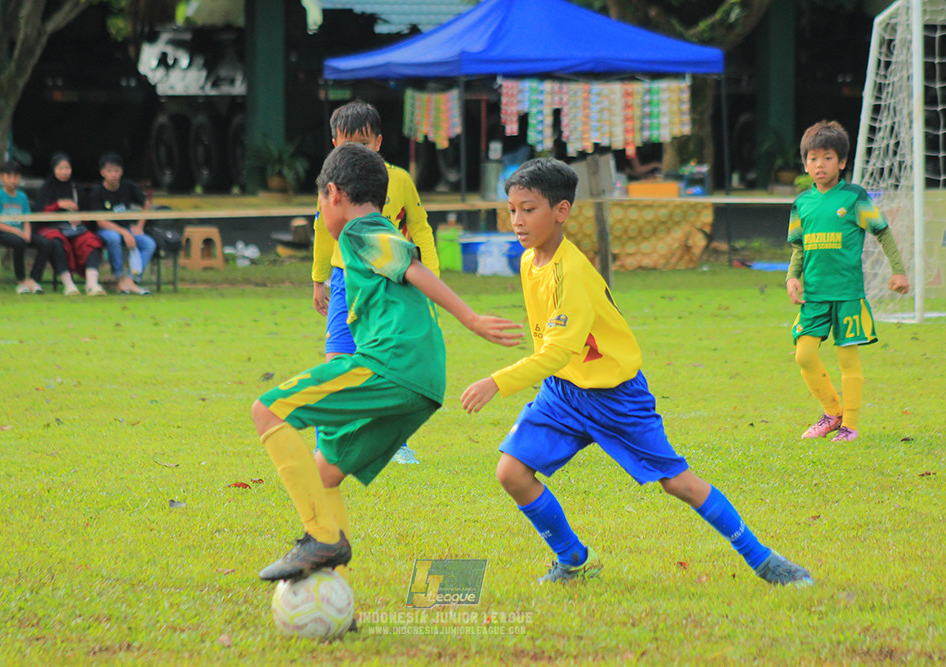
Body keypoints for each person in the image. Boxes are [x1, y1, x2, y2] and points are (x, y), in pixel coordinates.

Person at [460, 157, 813, 587]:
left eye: (528, 209)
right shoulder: (529, 261)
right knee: (511, 472)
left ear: (561, 210)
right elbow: (552, 350)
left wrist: (496, 382)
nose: (517, 220)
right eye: (512, 209)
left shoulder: (572, 272)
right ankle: (574, 559)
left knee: (677, 483)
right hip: (564, 392)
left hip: (615, 396)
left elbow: (555, 351)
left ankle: (764, 560)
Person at [254, 143, 521, 583]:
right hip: (423, 383)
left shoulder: (363, 233)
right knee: (326, 471)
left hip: (389, 364)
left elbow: (412, 267)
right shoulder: (373, 231)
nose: (321, 214)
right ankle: (328, 580)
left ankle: (320, 537)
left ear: (334, 194)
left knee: (266, 410)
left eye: (320, 202)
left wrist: (470, 318)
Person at [311, 100, 440, 465]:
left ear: (379, 143)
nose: (356, 151)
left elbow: (420, 227)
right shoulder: (329, 187)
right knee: (338, 361)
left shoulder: (398, 180)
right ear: (334, 143)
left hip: (391, 282)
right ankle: (327, 443)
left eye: (364, 144)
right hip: (345, 281)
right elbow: (322, 234)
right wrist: (319, 279)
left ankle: (391, 443)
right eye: (347, 143)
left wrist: (429, 274)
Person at [786, 120, 909, 443]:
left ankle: (850, 426)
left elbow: (881, 231)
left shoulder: (854, 197)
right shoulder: (802, 203)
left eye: (827, 158)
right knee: (804, 355)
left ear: (841, 162)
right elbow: (799, 246)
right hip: (814, 295)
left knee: (847, 358)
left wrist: (898, 270)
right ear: (805, 163)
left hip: (848, 294)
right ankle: (832, 412)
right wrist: (792, 277)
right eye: (812, 158)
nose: (819, 165)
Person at [0, 161, 63, 294]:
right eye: (9, 177)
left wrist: (27, 232)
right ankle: (21, 281)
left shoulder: (21, 196)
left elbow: (26, 219)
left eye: (16, 177)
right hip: (0, 232)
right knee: (19, 242)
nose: (13, 180)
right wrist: (16, 231)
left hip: (20, 232)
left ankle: (34, 280)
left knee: (46, 244)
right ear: (1, 177)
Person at [35, 153, 106, 296]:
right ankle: (68, 285)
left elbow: (87, 213)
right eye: (60, 168)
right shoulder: (47, 188)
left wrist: (81, 218)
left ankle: (92, 284)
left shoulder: (76, 188)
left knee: (92, 242)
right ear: (54, 169)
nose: (64, 172)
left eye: (67, 168)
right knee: (57, 242)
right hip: (52, 229)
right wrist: (58, 205)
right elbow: (39, 213)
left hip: (75, 229)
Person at [89, 152, 155, 295]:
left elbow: (146, 202)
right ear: (102, 173)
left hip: (128, 228)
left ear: (121, 172)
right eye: (110, 171)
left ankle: (131, 279)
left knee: (149, 244)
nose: (114, 174)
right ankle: (118, 277)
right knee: (113, 238)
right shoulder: (97, 193)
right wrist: (124, 232)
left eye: (117, 171)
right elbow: (100, 221)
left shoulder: (128, 186)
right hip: (107, 230)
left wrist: (140, 225)